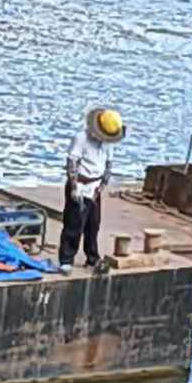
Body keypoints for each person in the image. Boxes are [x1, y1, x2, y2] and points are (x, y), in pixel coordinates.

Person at [59, 107, 124, 273]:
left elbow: (109, 163)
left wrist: (102, 185)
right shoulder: (80, 138)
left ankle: (92, 256)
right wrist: (74, 187)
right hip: (80, 184)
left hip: (95, 186)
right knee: (74, 223)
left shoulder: (108, 143)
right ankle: (66, 258)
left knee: (93, 224)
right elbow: (72, 162)